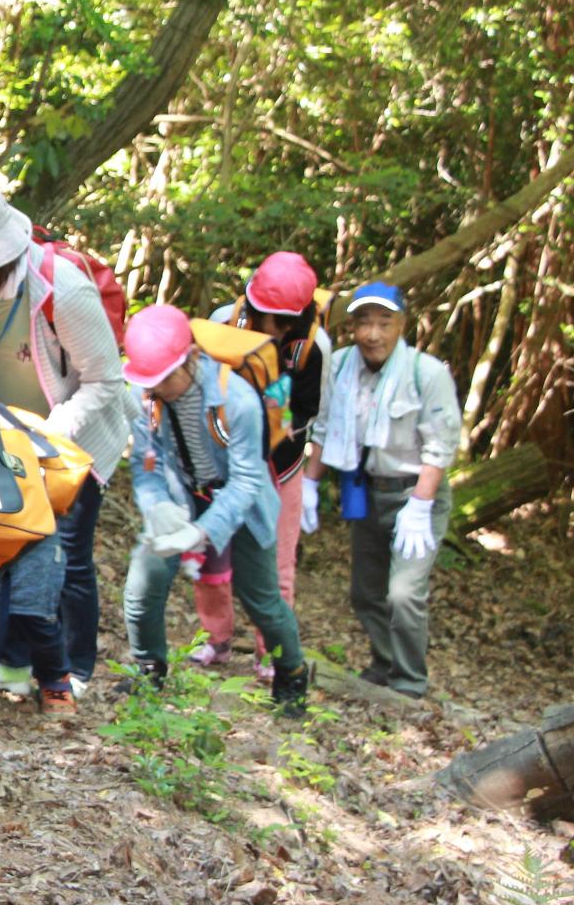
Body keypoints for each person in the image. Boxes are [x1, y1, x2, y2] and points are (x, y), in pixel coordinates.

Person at [0, 173, 129, 714]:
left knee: (67, 556)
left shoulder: (63, 287)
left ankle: (74, 668)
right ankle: (10, 665)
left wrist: (48, 438)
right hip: (6, 434)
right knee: (7, 544)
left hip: (75, 437)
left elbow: (106, 380)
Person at [119, 305, 311, 713]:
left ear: (190, 358)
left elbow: (247, 481)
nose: (160, 388)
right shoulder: (144, 395)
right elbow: (145, 464)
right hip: (180, 496)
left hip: (243, 506)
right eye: (150, 380)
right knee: (142, 586)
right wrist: (157, 509)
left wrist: (202, 533)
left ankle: (292, 674)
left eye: (166, 377)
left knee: (261, 600)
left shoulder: (236, 398)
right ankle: (149, 668)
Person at [303, 281, 460, 698]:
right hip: (364, 488)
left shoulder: (426, 373)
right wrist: (309, 483)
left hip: (415, 493)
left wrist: (421, 505)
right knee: (365, 592)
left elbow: (441, 445)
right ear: (351, 328)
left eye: (383, 323)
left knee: (404, 594)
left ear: (401, 325)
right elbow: (321, 426)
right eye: (363, 323)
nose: (373, 334)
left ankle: (409, 683)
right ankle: (384, 662)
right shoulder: (338, 366)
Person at [190, 252, 333, 677]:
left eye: (284, 322)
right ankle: (214, 639)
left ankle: (270, 651)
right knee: (210, 554)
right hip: (220, 458)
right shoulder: (223, 321)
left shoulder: (314, 346)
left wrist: (277, 426)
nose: (273, 329)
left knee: (277, 564)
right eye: (265, 317)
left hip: (280, 465)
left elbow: (311, 411)